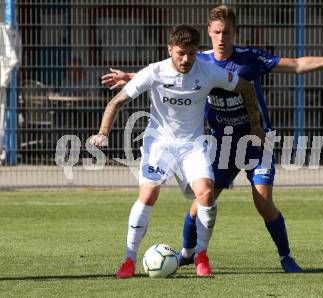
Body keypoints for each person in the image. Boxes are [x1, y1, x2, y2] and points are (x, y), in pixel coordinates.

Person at [101, 5, 323, 273]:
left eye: (227, 32)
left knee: (263, 202)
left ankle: (286, 256)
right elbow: (169, 72)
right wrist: (130, 76)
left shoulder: (250, 59)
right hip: (222, 142)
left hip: (255, 140)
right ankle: (187, 253)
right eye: (217, 32)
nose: (221, 38)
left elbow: (298, 65)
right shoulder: (200, 59)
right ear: (209, 32)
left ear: (235, 33)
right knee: (202, 201)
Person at [90, 25, 264, 278]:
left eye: (191, 53)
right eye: (180, 53)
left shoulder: (208, 72)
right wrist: (103, 133)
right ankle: (128, 260)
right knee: (148, 194)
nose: (186, 60)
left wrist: (256, 126)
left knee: (206, 194)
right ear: (170, 49)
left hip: (192, 146)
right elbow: (116, 101)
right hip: (158, 144)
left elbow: (246, 88)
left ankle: (201, 256)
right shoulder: (154, 71)